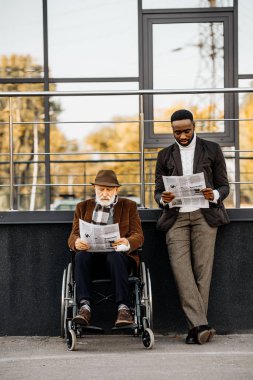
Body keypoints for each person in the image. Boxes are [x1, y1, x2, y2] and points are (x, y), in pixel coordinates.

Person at [155, 109, 230, 345]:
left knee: (202, 273)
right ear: (172, 130)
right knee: (181, 272)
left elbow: (225, 186)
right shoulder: (164, 155)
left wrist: (214, 193)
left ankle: (195, 329)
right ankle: (201, 325)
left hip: (204, 215)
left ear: (194, 126)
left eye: (187, 131)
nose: (183, 136)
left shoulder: (212, 149)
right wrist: (162, 198)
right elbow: (157, 190)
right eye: (177, 132)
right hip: (175, 218)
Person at [68, 169, 144, 327]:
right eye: (101, 189)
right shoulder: (82, 207)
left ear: (116, 190)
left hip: (118, 260)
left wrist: (127, 242)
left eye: (109, 189)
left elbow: (138, 235)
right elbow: (73, 235)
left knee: (114, 255)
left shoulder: (129, 206)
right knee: (81, 255)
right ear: (94, 189)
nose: (104, 193)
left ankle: (124, 309)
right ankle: (84, 307)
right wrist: (76, 242)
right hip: (92, 260)